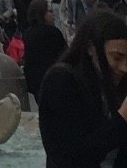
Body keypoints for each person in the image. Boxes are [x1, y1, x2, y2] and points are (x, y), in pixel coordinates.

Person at [37, 10, 127, 168]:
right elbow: (73, 155)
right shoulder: (61, 81)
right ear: (91, 48)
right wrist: (122, 118)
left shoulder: (115, 81)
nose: (124, 67)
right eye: (116, 57)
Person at [27, 4, 72, 103]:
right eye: (50, 12)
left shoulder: (27, 33)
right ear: (42, 14)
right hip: (54, 78)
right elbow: (66, 53)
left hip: (35, 81)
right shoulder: (53, 32)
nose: (53, 15)